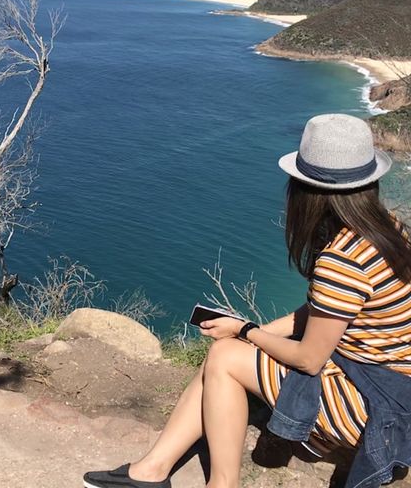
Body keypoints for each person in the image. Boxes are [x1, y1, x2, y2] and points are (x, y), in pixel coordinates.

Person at [83, 113, 411, 488]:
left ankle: (220, 484)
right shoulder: (386, 230)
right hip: (394, 386)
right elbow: (328, 312)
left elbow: (309, 358)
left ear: (306, 191)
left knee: (223, 357)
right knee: (228, 349)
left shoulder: (342, 259)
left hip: (378, 408)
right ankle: (152, 470)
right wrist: (252, 334)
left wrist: (247, 331)